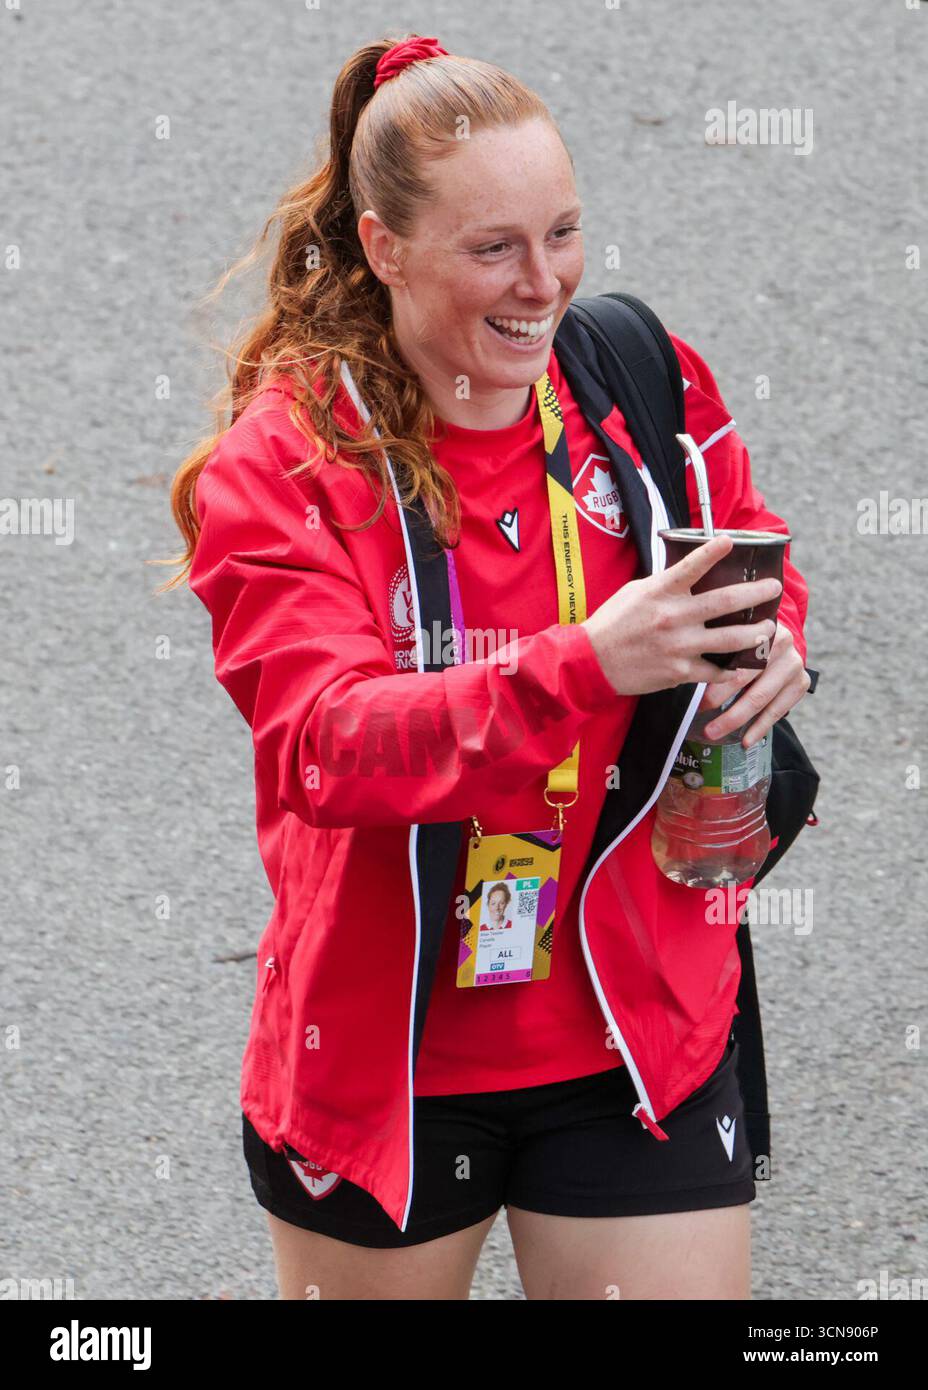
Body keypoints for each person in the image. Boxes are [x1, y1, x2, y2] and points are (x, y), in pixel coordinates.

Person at [162, 33, 811, 1300]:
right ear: (383, 245)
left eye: (562, 232)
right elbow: (321, 744)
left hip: (637, 1043)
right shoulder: (288, 461)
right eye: (493, 248)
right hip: (388, 1074)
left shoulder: (638, 378)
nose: (544, 283)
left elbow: (753, 555)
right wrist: (586, 662)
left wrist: (767, 643)